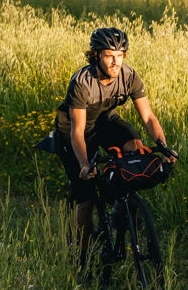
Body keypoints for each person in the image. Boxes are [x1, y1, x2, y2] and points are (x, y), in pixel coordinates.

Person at [52, 26, 176, 258]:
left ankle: (123, 204)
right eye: (109, 55)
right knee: (86, 198)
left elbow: (148, 117)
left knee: (136, 147)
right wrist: (85, 165)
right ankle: (83, 258)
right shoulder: (82, 81)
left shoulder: (129, 76)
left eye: (119, 56)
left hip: (103, 120)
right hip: (73, 130)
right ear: (97, 55)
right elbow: (78, 131)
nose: (115, 62)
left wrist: (163, 146)